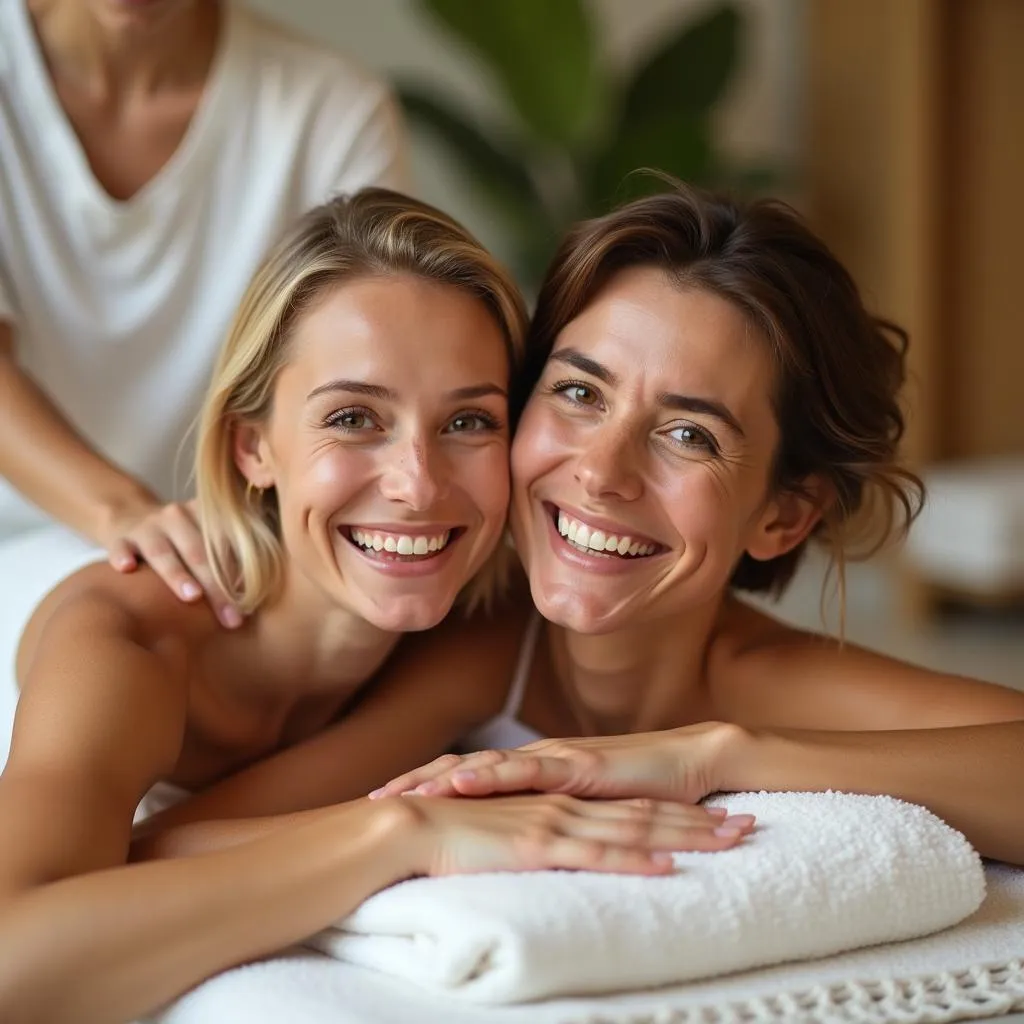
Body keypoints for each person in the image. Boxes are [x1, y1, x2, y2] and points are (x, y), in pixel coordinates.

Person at [0, 189, 741, 1024]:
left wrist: (723, 754)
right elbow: (14, 966)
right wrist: (401, 837)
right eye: (355, 418)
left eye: (468, 420)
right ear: (254, 446)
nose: (418, 485)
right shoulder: (129, 645)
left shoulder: (484, 630)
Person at [137, 183, 1024, 871]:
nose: (601, 473)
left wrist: (714, 757)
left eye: (689, 434)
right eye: (577, 392)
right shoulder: (486, 637)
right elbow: (178, 844)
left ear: (785, 515)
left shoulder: (757, 683)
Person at [0, 0, 407, 628]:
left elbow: (385, 369)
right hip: (69, 553)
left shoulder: (328, 108)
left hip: (231, 559)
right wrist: (127, 515)